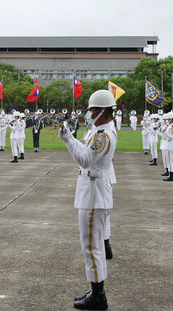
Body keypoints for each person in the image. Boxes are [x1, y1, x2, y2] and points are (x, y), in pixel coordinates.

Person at [57, 89, 117, 310]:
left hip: (94, 195)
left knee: (91, 247)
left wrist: (67, 141)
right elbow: (85, 150)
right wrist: (72, 137)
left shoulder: (103, 135)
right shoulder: (99, 130)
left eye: (92, 110)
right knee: (92, 245)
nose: (89, 113)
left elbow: (85, 160)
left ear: (102, 111)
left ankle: (99, 296)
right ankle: (95, 290)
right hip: (91, 191)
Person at [159, 112, 173, 181]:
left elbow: (171, 137)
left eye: (168, 119)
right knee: (168, 161)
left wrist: (164, 132)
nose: (166, 120)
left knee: (170, 161)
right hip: (166, 144)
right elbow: (164, 136)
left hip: (169, 145)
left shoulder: (172, 127)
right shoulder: (168, 126)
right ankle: (169, 173)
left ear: (171, 119)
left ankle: (171, 175)